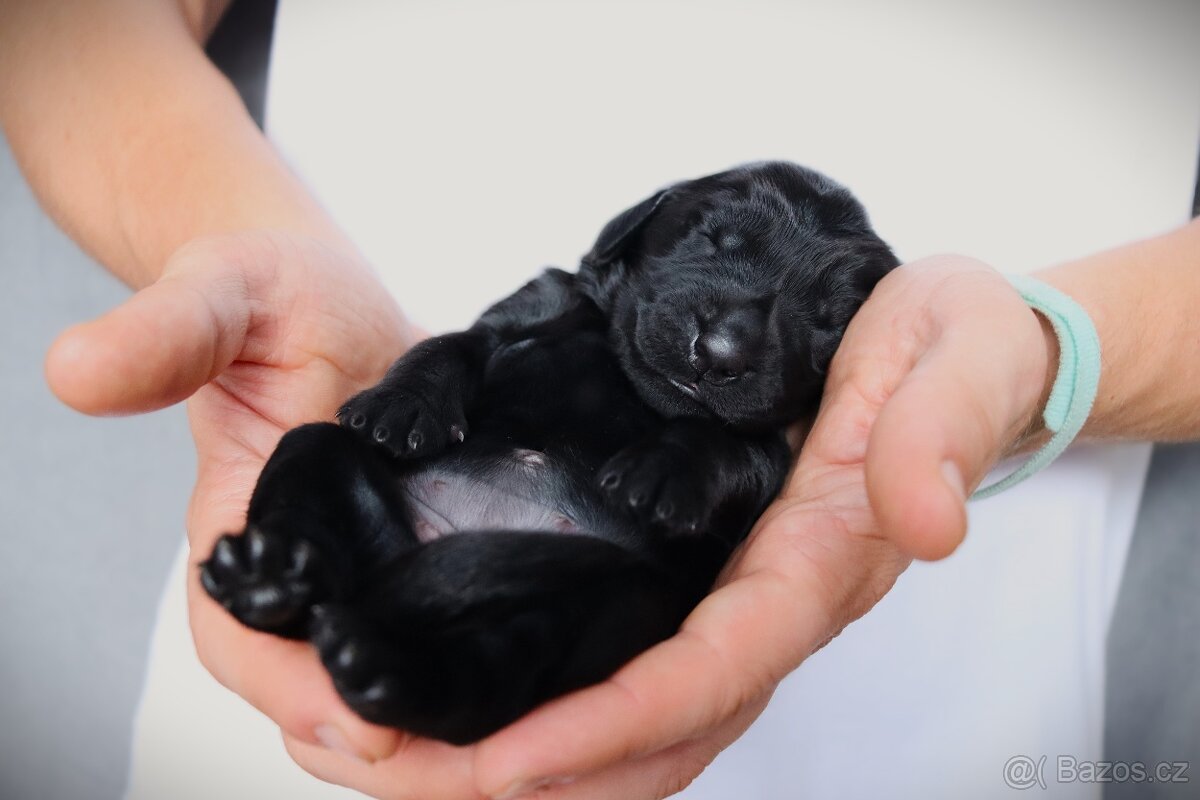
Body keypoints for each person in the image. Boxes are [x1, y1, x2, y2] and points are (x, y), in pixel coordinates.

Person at [2, 1, 1197, 798]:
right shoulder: (566, 296)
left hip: (933, 700)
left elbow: (742, 475)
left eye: (816, 317)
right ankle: (295, 570)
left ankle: (418, 669)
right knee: (322, 457)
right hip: (285, 691)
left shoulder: (751, 443)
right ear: (635, 235)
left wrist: (1053, 352)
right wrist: (251, 248)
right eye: (720, 246)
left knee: (593, 608)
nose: (737, 327)